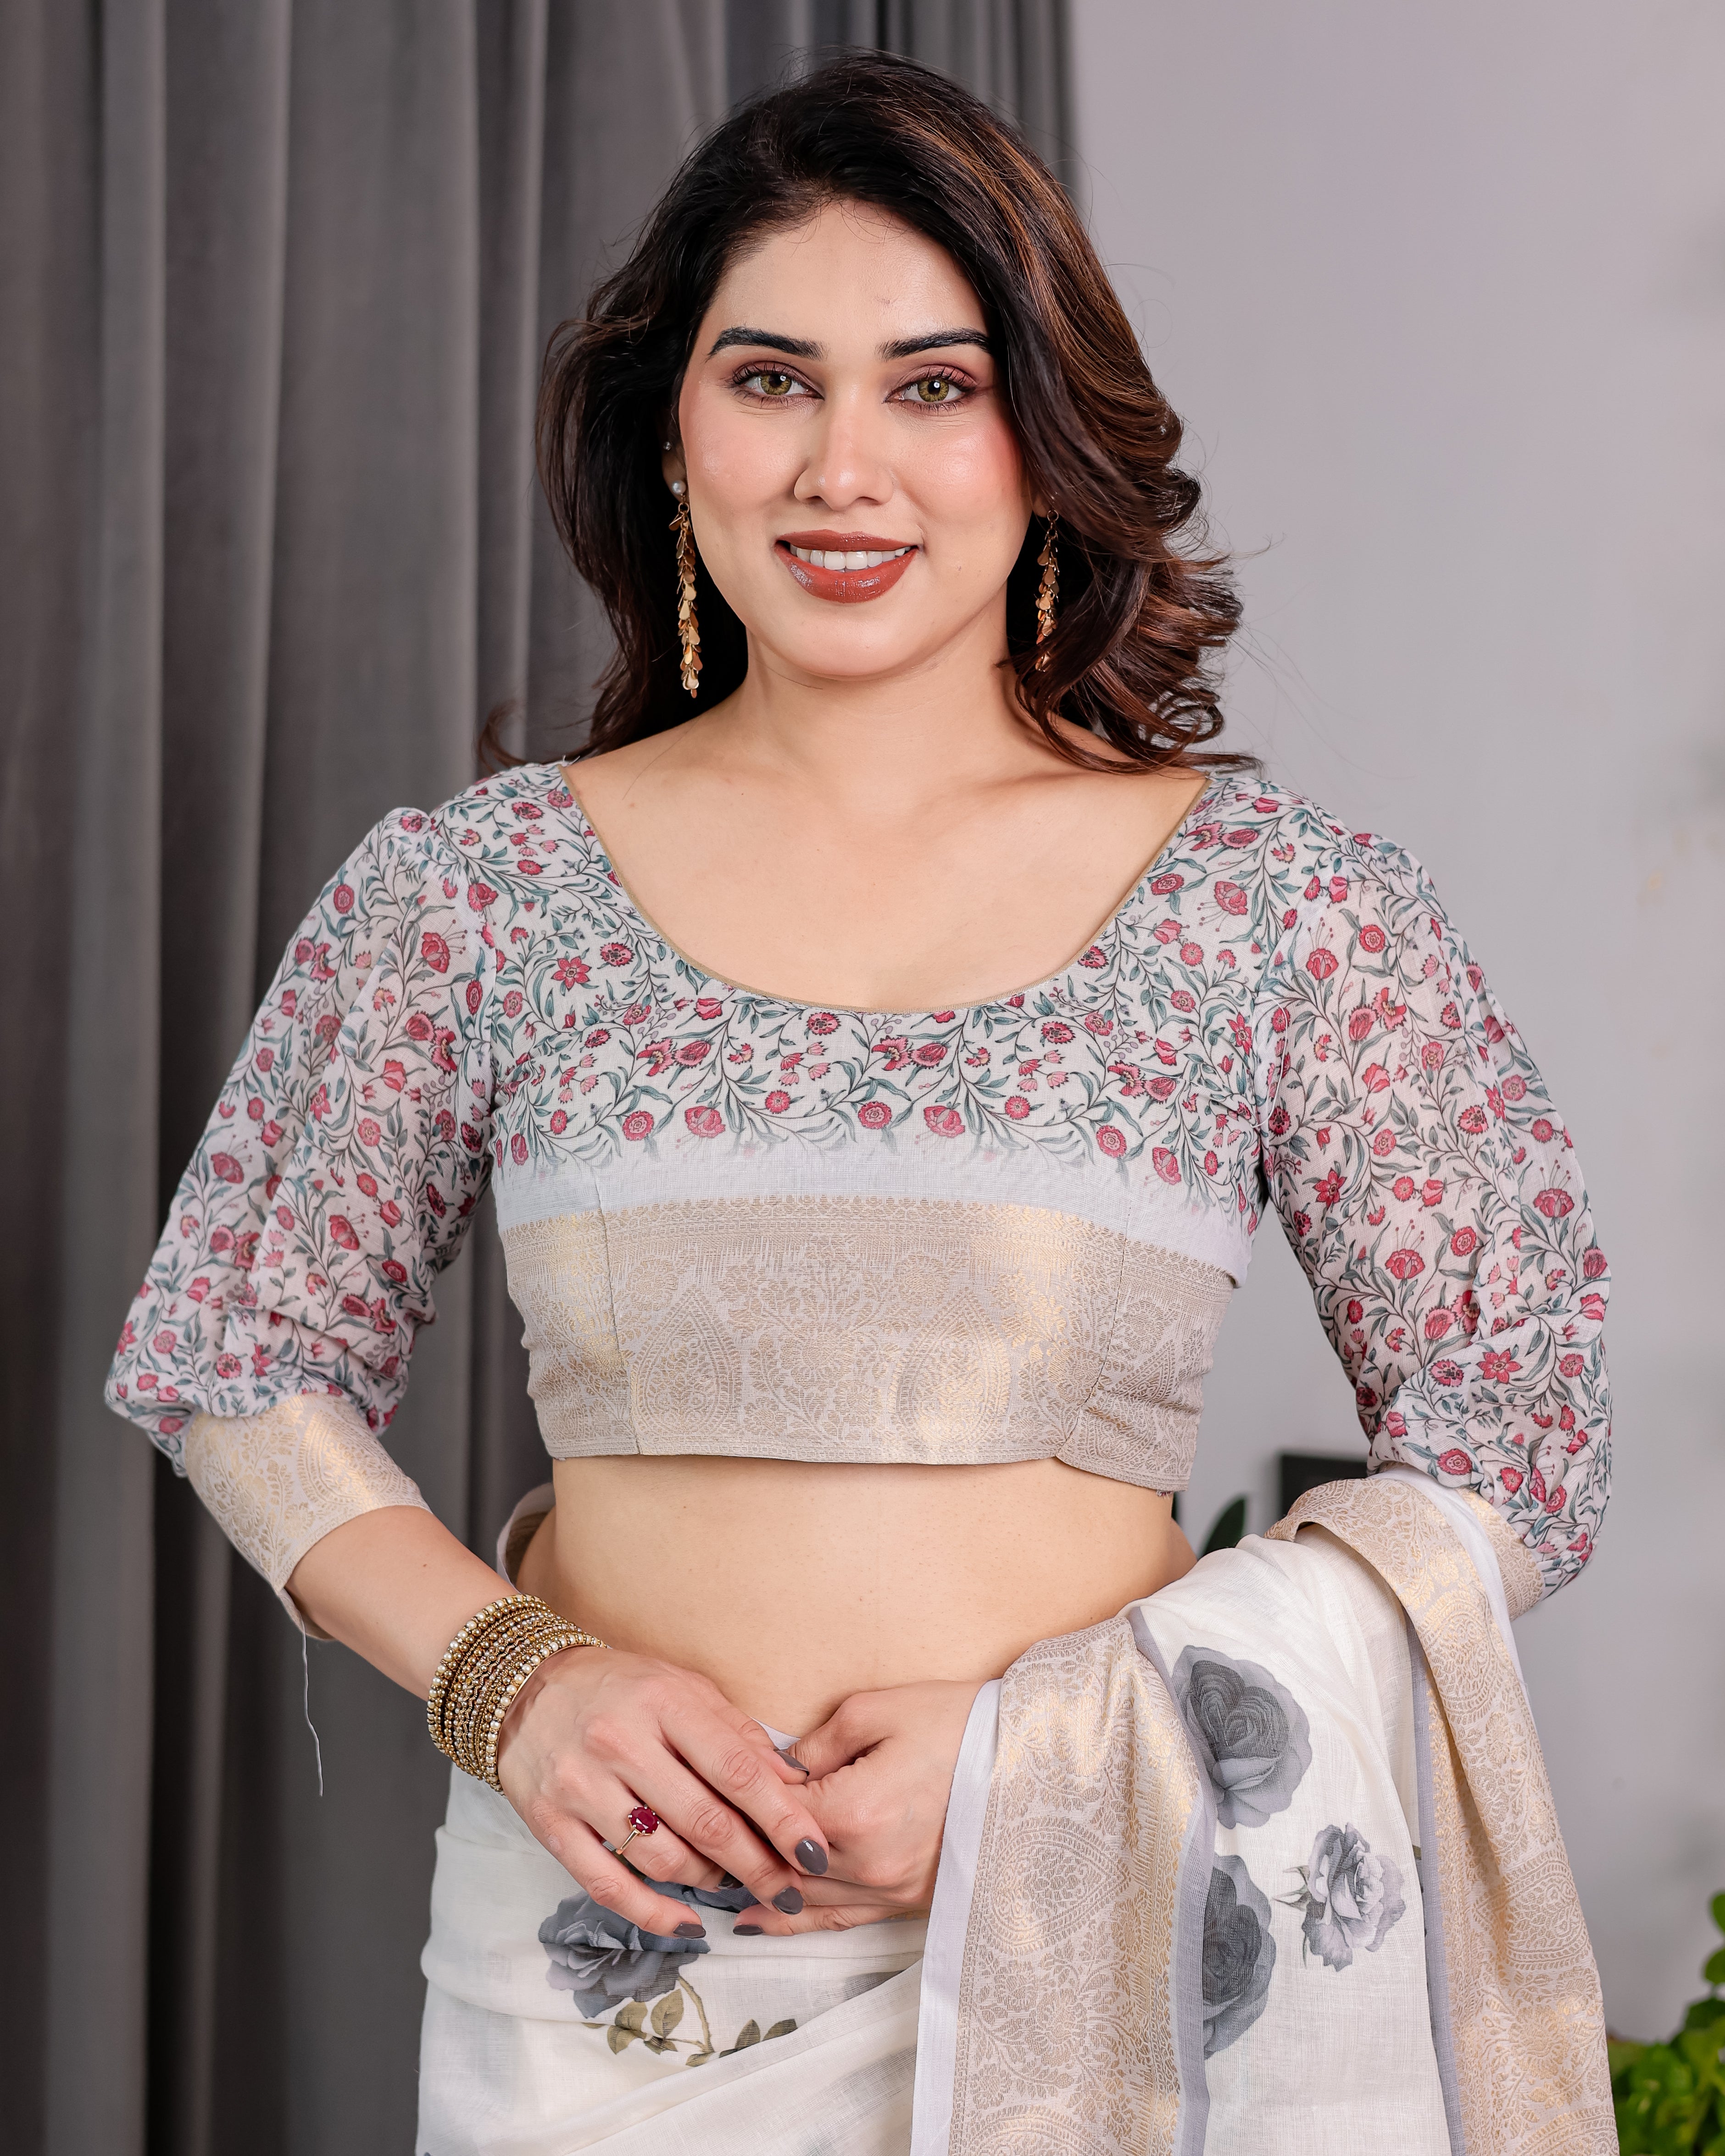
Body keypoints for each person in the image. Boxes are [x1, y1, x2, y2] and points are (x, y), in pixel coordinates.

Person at [108, 52, 1614, 2156]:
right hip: (605, 1986)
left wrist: (1046, 1753)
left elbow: (1520, 1430)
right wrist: (514, 1680)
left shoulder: (1277, 907)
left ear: (1046, 435)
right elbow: (233, 1356)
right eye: (769, 379)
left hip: (1094, 1940)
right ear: (673, 433)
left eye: (933, 385)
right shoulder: (478, 891)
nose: (842, 467)